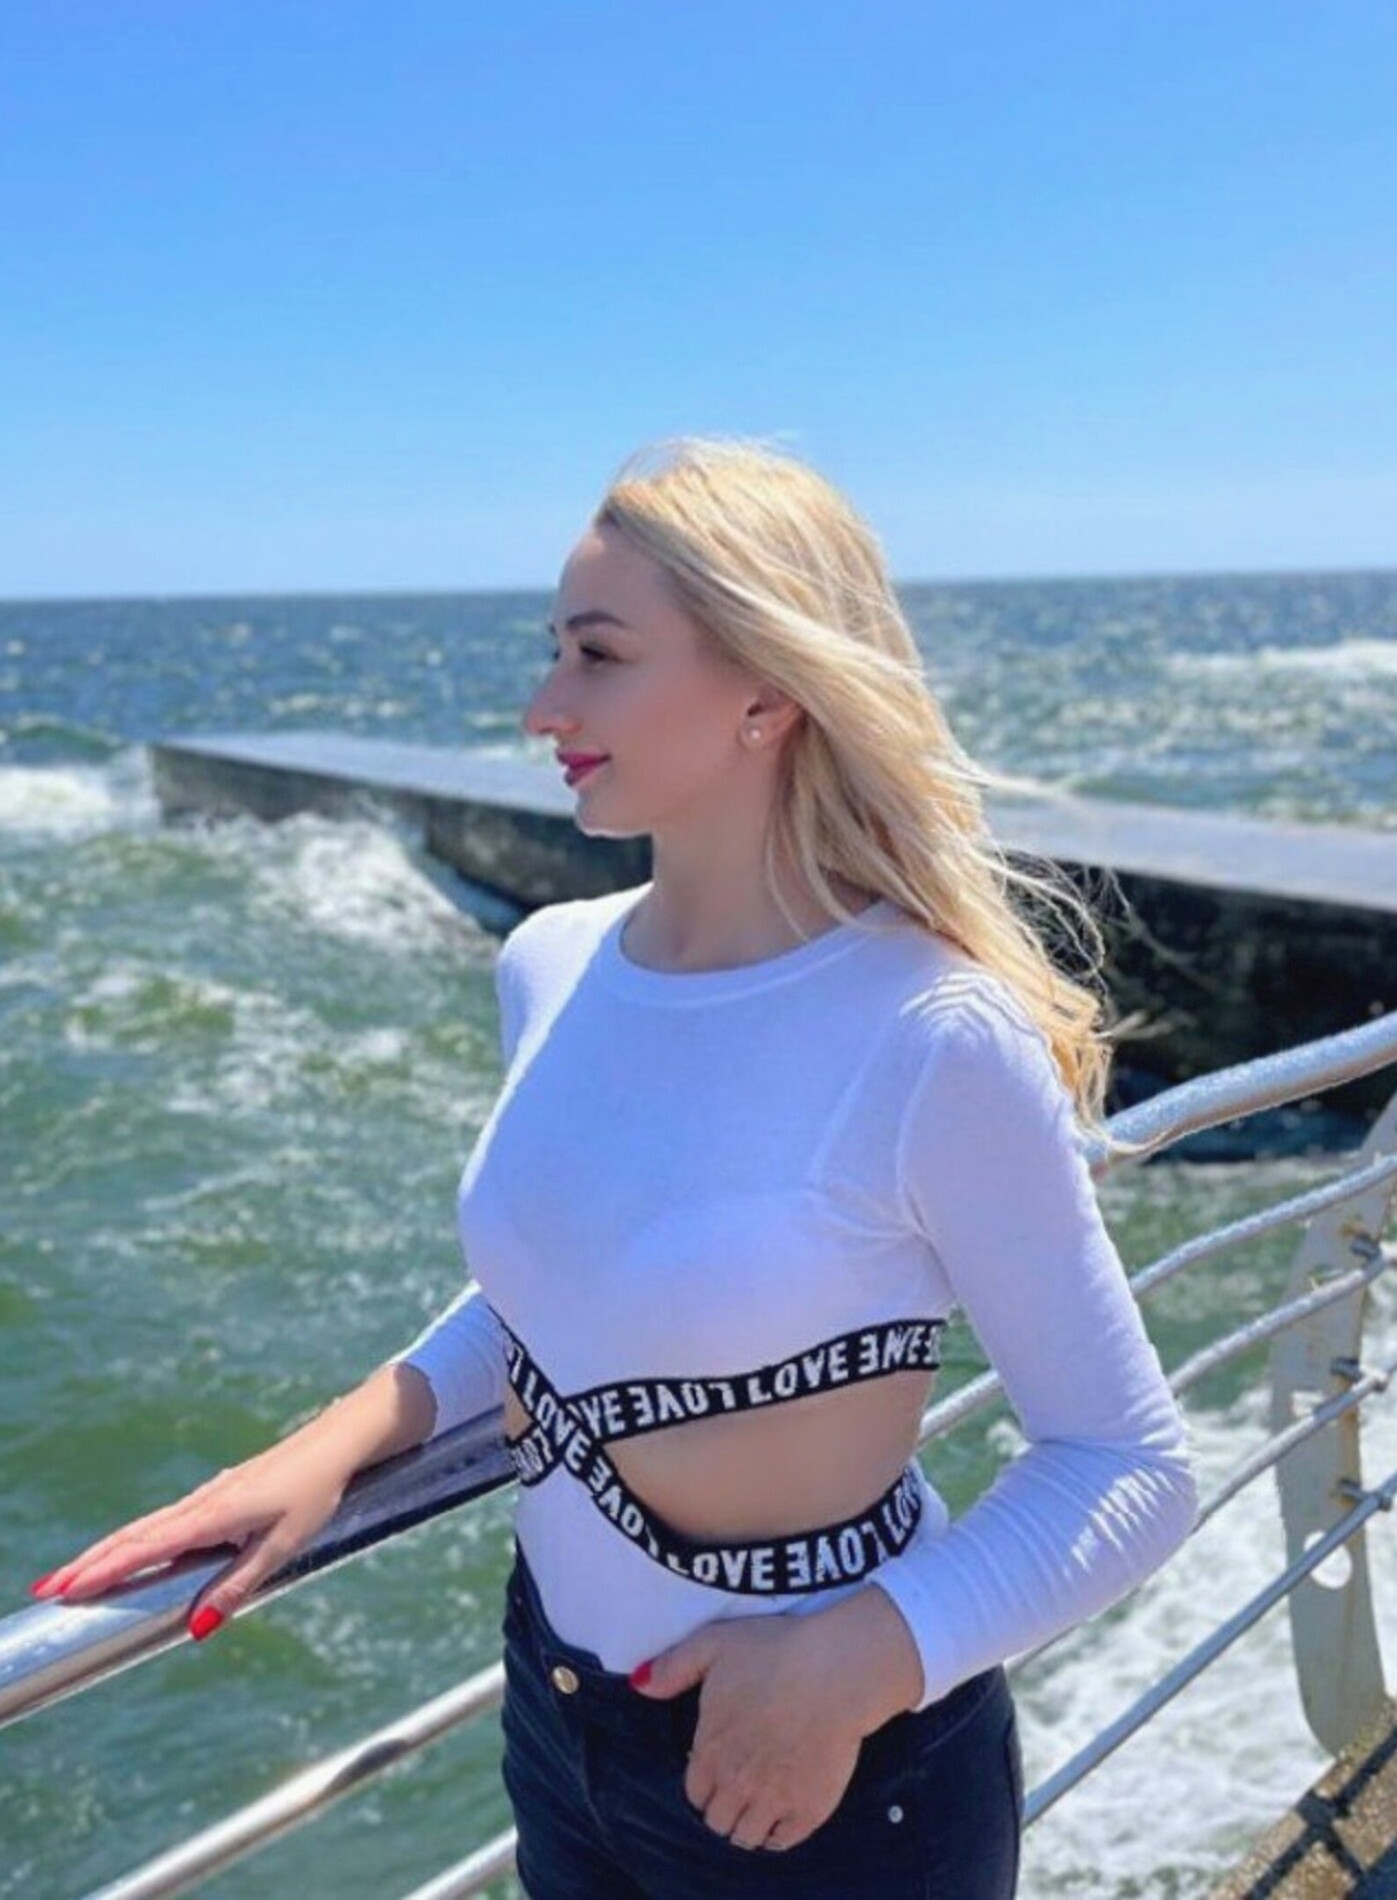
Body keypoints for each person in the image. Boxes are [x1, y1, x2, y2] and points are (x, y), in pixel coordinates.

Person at [33, 439, 1198, 1898]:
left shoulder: (928, 1033)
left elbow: (1127, 1466)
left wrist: (858, 1659)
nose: (544, 707)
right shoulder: (549, 962)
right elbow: (565, 1286)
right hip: (557, 1709)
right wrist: (333, 1447)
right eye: (553, 653)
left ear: (767, 691)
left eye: (597, 656)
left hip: (828, 1773)